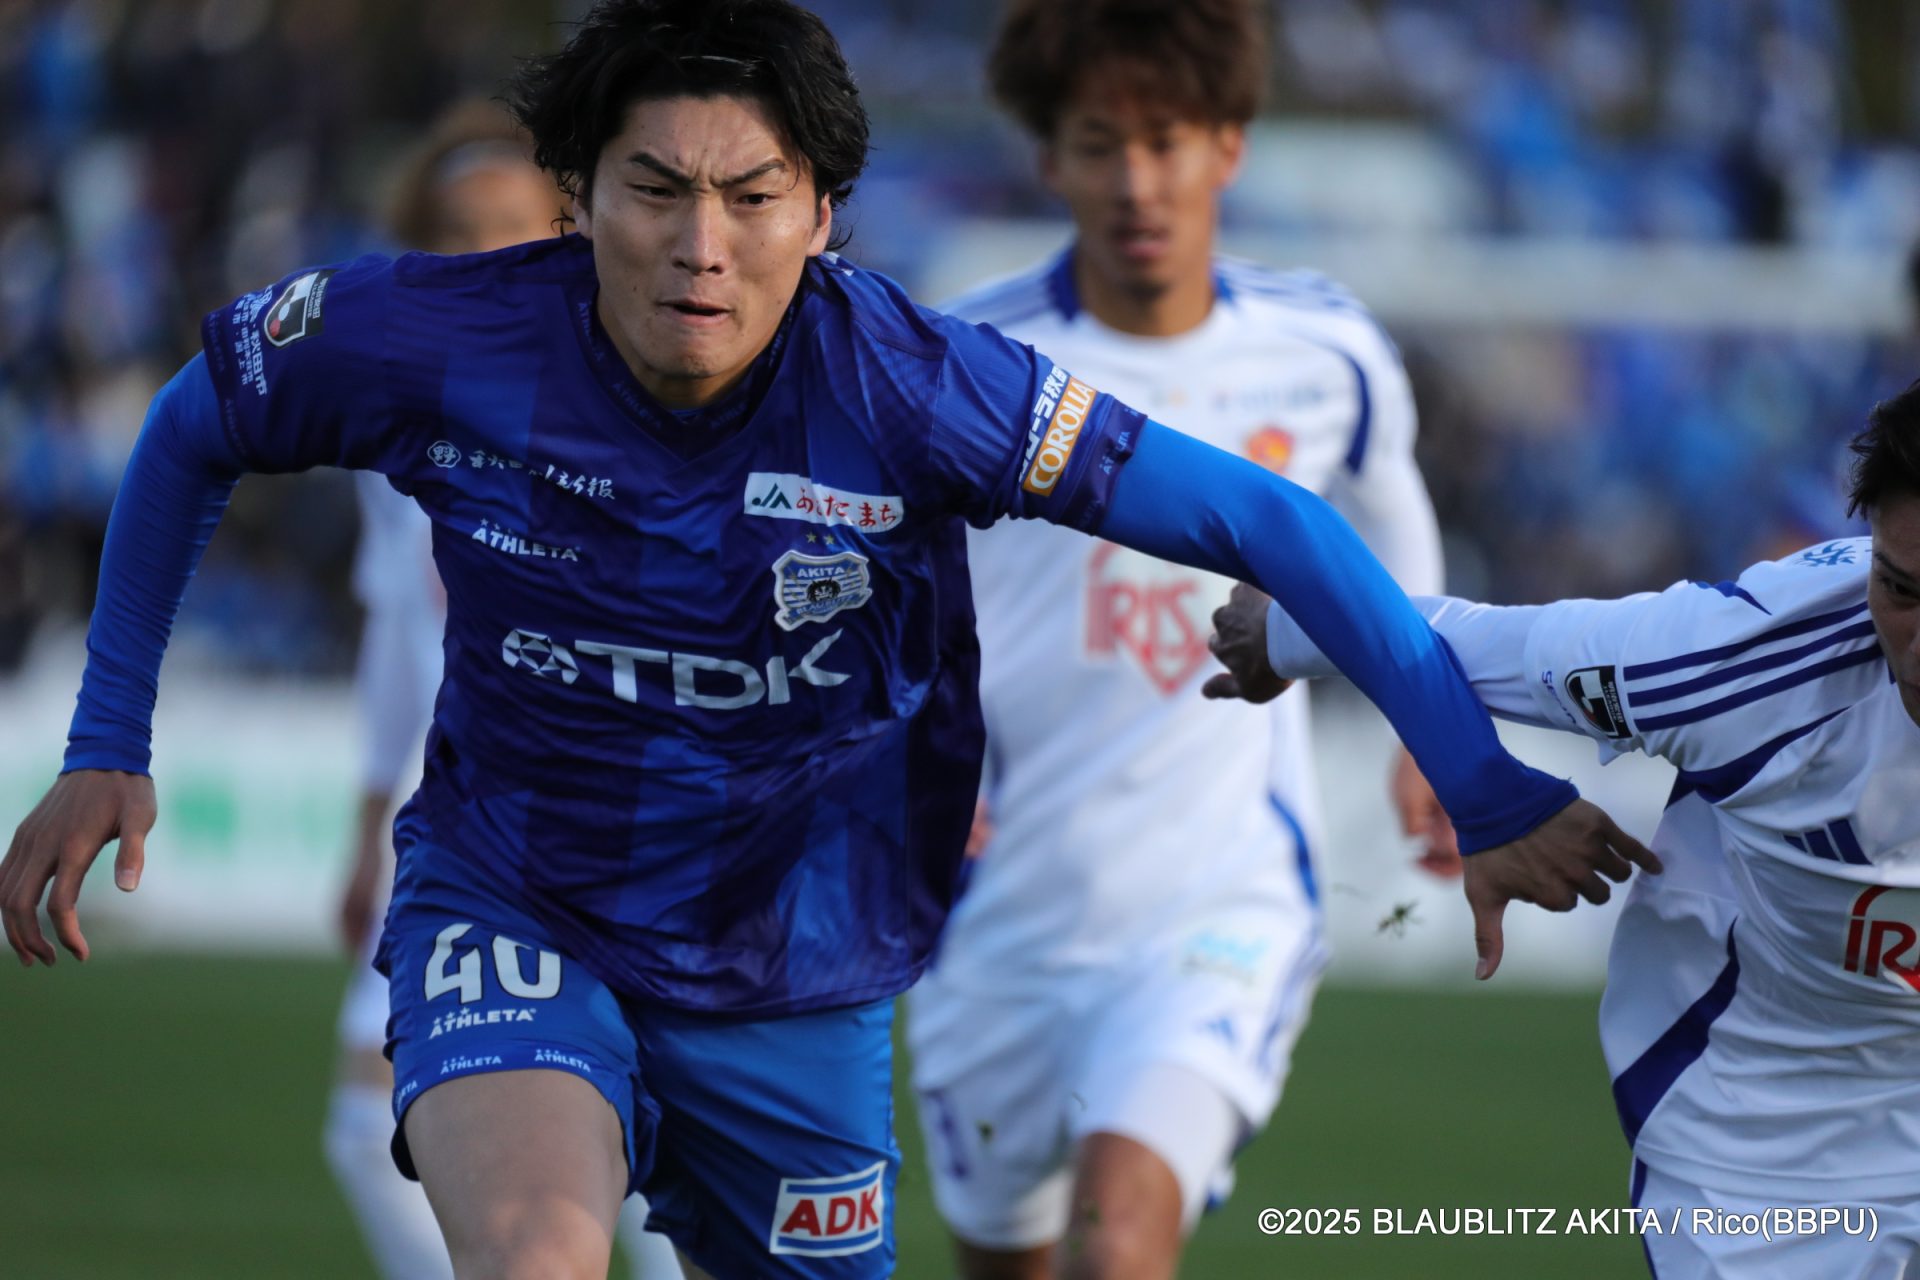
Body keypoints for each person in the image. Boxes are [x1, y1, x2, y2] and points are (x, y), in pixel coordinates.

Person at [0, 3, 1655, 1276]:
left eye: (752, 196)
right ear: (579, 196)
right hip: (520, 901)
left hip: (801, 955)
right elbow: (197, 420)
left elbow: (1276, 523)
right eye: (654, 189)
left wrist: (1482, 782)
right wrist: (107, 736)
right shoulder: (434, 335)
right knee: (543, 1259)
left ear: (824, 211)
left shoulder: (919, 383)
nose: (700, 244)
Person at [906, 3, 1454, 1276]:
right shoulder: (968, 358)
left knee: (1120, 1241)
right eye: (1101, 145)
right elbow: (888, 587)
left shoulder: (1325, 353)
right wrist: (910, 756)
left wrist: (1422, 728)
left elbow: (1391, 528)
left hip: (1218, 901)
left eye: (1167, 141)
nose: (1137, 183)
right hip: (997, 915)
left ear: (1230, 145)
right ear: (1049, 159)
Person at [1213, 387, 1920, 1279]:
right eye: (1901, 590)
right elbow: (1466, 642)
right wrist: (1281, 632)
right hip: (1767, 1157)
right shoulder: (1742, 665)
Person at [324, 100, 682, 1280]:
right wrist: (368, 822)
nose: (484, 255)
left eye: (512, 228)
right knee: (377, 1120)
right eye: (456, 231)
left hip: (632, 819)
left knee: (659, 1135)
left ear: (571, 236)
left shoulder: (648, 398)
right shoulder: (395, 422)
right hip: (460, 824)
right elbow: (397, 640)